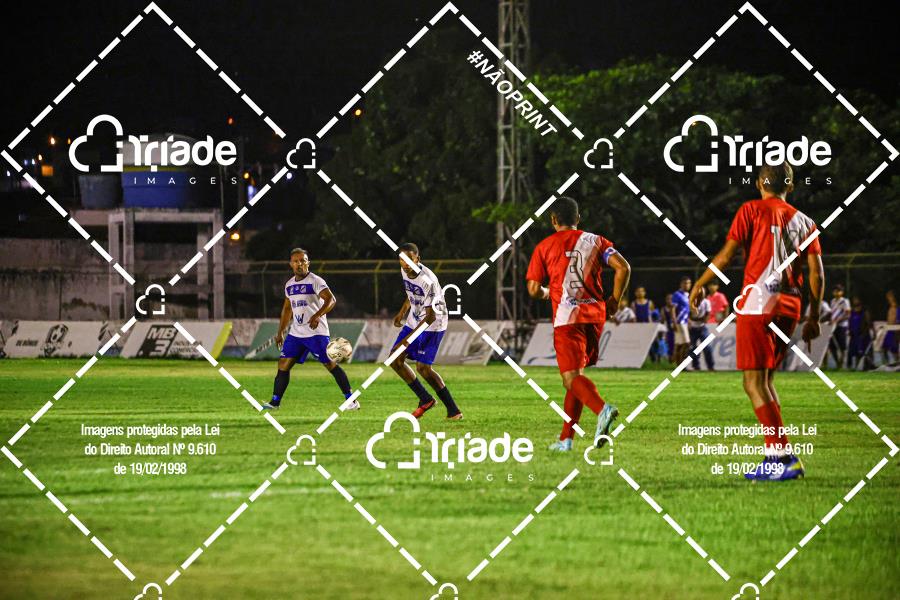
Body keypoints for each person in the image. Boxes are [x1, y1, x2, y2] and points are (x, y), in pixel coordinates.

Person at [690, 162, 824, 482]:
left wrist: (701, 283)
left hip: (759, 301)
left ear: (758, 184)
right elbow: (817, 273)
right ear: (790, 186)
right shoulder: (806, 222)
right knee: (766, 381)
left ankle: (782, 457)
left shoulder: (751, 210)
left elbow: (726, 256)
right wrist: (814, 315)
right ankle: (777, 456)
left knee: (753, 383)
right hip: (790, 305)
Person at [525, 196, 631, 452]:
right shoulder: (596, 241)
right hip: (595, 317)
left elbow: (533, 289)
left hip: (567, 318)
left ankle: (602, 409)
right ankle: (566, 439)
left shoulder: (544, 246)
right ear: (578, 219)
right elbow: (623, 268)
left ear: (553, 220)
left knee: (571, 378)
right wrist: (615, 300)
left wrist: (547, 293)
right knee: (575, 378)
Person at [263, 248, 357, 411]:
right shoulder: (289, 285)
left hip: (316, 333)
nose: (299, 264)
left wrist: (317, 315)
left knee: (330, 364)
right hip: (296, 333)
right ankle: (274, 403)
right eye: (296, 261)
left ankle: (351, 400)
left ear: (308, 263)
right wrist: (280, 332)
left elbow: (331, 300)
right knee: (283, 364)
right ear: (291, 264)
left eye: (303, 260)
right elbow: (287, 309)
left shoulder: (315, 281)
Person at [388, 243, 462, 420]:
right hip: (415, 318)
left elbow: (430, 318)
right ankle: (425, 399)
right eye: (402, 259)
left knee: (423, 368)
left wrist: (407, 340)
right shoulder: (405, 270)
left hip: (434, 323)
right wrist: (401, 313)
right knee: (395, 359)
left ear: (417, 259)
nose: (405, 263)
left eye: (409, 259)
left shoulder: (428, 280)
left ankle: (453, 410)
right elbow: (412, 292)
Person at [688, 293, 714, 370]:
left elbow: (707, 316)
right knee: (692, 348)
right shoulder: (691, 301)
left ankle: (710, 366)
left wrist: (699, 319)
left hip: (702, 327)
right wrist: (700, 319)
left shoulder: (706, 302)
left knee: (707, 347)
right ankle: (696, 366)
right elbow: (689, 316)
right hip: (693, 328)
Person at [847, 295, 874, 370]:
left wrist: (870, 332)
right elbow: (850, 321)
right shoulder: (852, 311)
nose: (855, 301)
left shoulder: (865, 311)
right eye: (854, 299)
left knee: (864, 351)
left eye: (856, 299)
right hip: (854, 334)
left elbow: (869, 323)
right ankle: (856, 366)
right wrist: (850, 330)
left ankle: (866, 366)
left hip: (863, 334)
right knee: (854, 352)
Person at [828, 284, 850, 368]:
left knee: (842, 346)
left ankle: (841, 363)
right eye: (835, 291)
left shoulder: (845, 301)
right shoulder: (832, 301)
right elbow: (831, 314)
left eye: (838, 291)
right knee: (832, 345)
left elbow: (848, 314)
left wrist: (838, 320)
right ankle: (837, 363)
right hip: (833, 326)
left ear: (842, 292)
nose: (836, 292)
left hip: (842, 326)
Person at [671, 277, 692, 365]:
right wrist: (674, 322)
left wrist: (689, 320)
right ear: (681, 284)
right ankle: (680, 362)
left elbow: (686, 310)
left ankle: (678, 363)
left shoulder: (688, 295)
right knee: (687, 343)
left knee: (680, 343)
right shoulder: (677, 294)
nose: (687, 285)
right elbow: (673, 309)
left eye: (689, 283)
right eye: (685, 283)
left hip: (685, 322)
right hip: (679, 322)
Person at [881, 290, 898, 364]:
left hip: (893, 329)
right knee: (884, 348)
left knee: (893, 349)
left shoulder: (896, 307)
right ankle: (886, 363)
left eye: (889, 296)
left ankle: (897, 363)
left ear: (893, 297)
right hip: (889, 329)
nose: (888, 298)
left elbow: (896, 319)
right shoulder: (890, 307)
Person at [663, 293, 676, 362]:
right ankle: (670, 359)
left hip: (677, 329)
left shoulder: (676, 307)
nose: (670, 300)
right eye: (668, 299)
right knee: (670, 344)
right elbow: (663, 320)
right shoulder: (664, 309)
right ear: (666, 300)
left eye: (671, 299)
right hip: (669, 330)